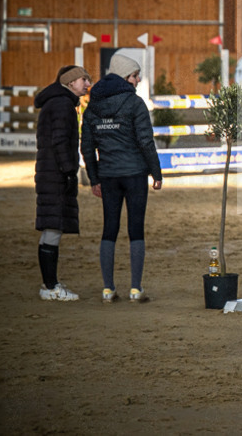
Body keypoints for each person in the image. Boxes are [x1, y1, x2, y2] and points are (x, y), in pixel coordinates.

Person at [81, 53, 163, 303]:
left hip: (108, 175)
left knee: (110, 228)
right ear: (125, 76)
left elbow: (87, 147)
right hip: (135, 174)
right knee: (136, 229)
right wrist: (156, 173)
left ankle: (108, 289)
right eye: (135, 75)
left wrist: (94, 178)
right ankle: (136, 289)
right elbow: (146, 142)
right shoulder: (135, 104)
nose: (138, 80)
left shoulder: (92, 106)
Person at [34, 65, 92, 301]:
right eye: (83, 80)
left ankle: (50, 283)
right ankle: (50, 287)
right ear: (70, 83)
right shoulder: (62, 105)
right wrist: (69, 171)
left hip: (50, 172)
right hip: (55, 174)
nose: (87, 84)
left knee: (51, 227)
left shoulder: (58, 102)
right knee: (53, 227)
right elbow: (60, 141)